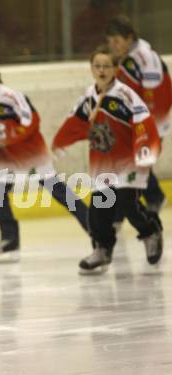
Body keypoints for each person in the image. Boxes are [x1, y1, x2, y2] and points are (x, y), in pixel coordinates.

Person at [0, 55, 89, 263]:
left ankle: (95, 228)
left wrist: (9, 135)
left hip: (30, 152)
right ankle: (9, 238)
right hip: (3, 157)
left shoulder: (10, 96)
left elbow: (32, 120)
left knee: (58, 191)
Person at [52, 45, 163, 274]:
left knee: (126, 203)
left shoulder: (126, 95)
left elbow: (144, 122)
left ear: (115, 69)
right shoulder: (89, 96)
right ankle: (103, 249)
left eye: (107, 66)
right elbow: (75, 122)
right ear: (91, 68)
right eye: (97, 66)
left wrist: (144, 150)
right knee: (99, 211)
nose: (101, 70)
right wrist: (60, 144)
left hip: (127, 161)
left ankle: (150, 231)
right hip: (102, 162)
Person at [106, 15, 171, 213]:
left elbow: (154, 95)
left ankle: (150, 200)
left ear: (129, 38)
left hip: (152, 122)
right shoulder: (130, 58)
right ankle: (152, 199)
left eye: (117, 40)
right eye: (110, 42)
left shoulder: (144, 57)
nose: (113, 46)